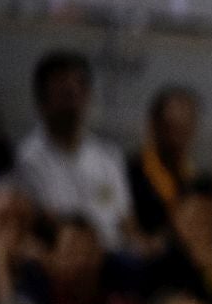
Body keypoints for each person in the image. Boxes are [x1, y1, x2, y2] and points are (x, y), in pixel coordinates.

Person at [15, 50, 131, 246]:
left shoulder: (109, 155)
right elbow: (46, 220)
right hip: (64, 253)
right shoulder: (29, 158)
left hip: (113, 254)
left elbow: (125, 218)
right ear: (42, 101)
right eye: (63, 91)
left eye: (79, 88)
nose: (72, 96)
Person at [127, 86, 202, 248]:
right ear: (153, 124)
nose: (176, 137)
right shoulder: (132, 171)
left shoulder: (196, 180)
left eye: (183, 127)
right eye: (170, 126)